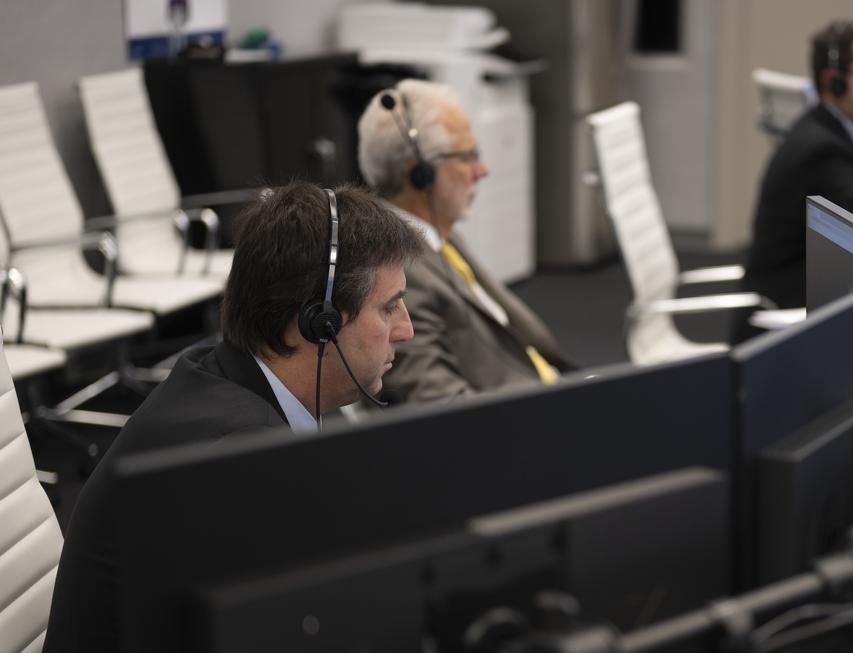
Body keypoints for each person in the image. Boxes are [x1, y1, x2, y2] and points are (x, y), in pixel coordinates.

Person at [41, 182, 424, 652]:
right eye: (389, 307)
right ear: (315, 322)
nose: (406, 330)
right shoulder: (237, 460)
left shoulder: (218, 372)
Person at [357, 79, 575, 403]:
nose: (482, 170)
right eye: (467, 156)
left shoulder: (435, 234)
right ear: (421, 174)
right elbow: (435, 402)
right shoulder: (395, 273)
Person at [735, 20, 853, 340]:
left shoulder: (834, 130)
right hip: (778, 320)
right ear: (833, 82)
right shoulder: (824, 151)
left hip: (800, 294)